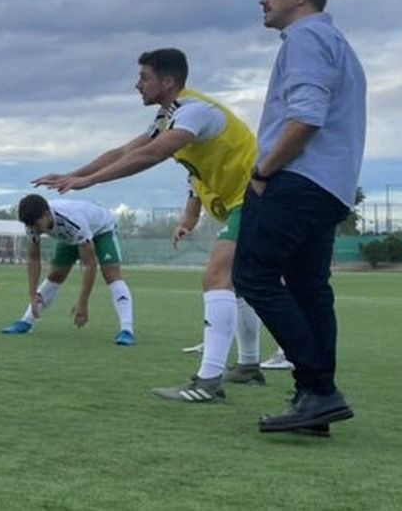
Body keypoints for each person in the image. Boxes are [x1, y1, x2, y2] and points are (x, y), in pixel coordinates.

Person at [33, 48, 265, 402]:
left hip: (258, 198)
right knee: (242, 282)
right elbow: (126, 150)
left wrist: (90, 181)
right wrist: (74, 175)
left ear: (168, 81)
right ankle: (248, 366)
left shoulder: (194, 111)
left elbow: (151, 154)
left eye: (144, 77)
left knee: (218, 277)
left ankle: (208, 384)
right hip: (248, 201)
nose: (136, 85)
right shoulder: (167, 118)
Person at [234, 0, 364, 435]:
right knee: (310, 289)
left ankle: (318, 388)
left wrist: (264, 170)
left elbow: (306, 116)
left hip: (297, 178)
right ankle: (316, 399)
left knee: (253, 275)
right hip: (331, 185)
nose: (263, 0)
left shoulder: (307, 40)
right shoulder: (338, 43)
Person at [0, 196, 135, 344]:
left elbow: (90, 265)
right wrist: (32, 294)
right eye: (30, 225)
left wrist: (83, 303)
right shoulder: (32, 223)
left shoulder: (73, 222)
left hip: (102, 230)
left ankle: (127, 330)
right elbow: (33, 259)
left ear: (46, 215)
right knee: (56, 275)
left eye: (37, 225)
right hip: (71, 236)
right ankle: (26, 321)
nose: (34, 229)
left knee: (111, 274)